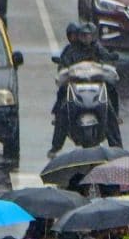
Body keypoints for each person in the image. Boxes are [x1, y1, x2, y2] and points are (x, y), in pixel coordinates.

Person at [50, 22, 121, 153]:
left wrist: (110, 58)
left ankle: (116, 144)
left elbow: (106, 57)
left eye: (89, 36)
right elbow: (63, 65)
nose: (86, 38)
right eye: (83, 35)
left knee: (109, 105)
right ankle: (56, 146)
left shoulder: (98, 49)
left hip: (96, 85)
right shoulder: (71, 50)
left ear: (94, 36)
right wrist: (64, 69)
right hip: (76, 86)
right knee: (63, 110)